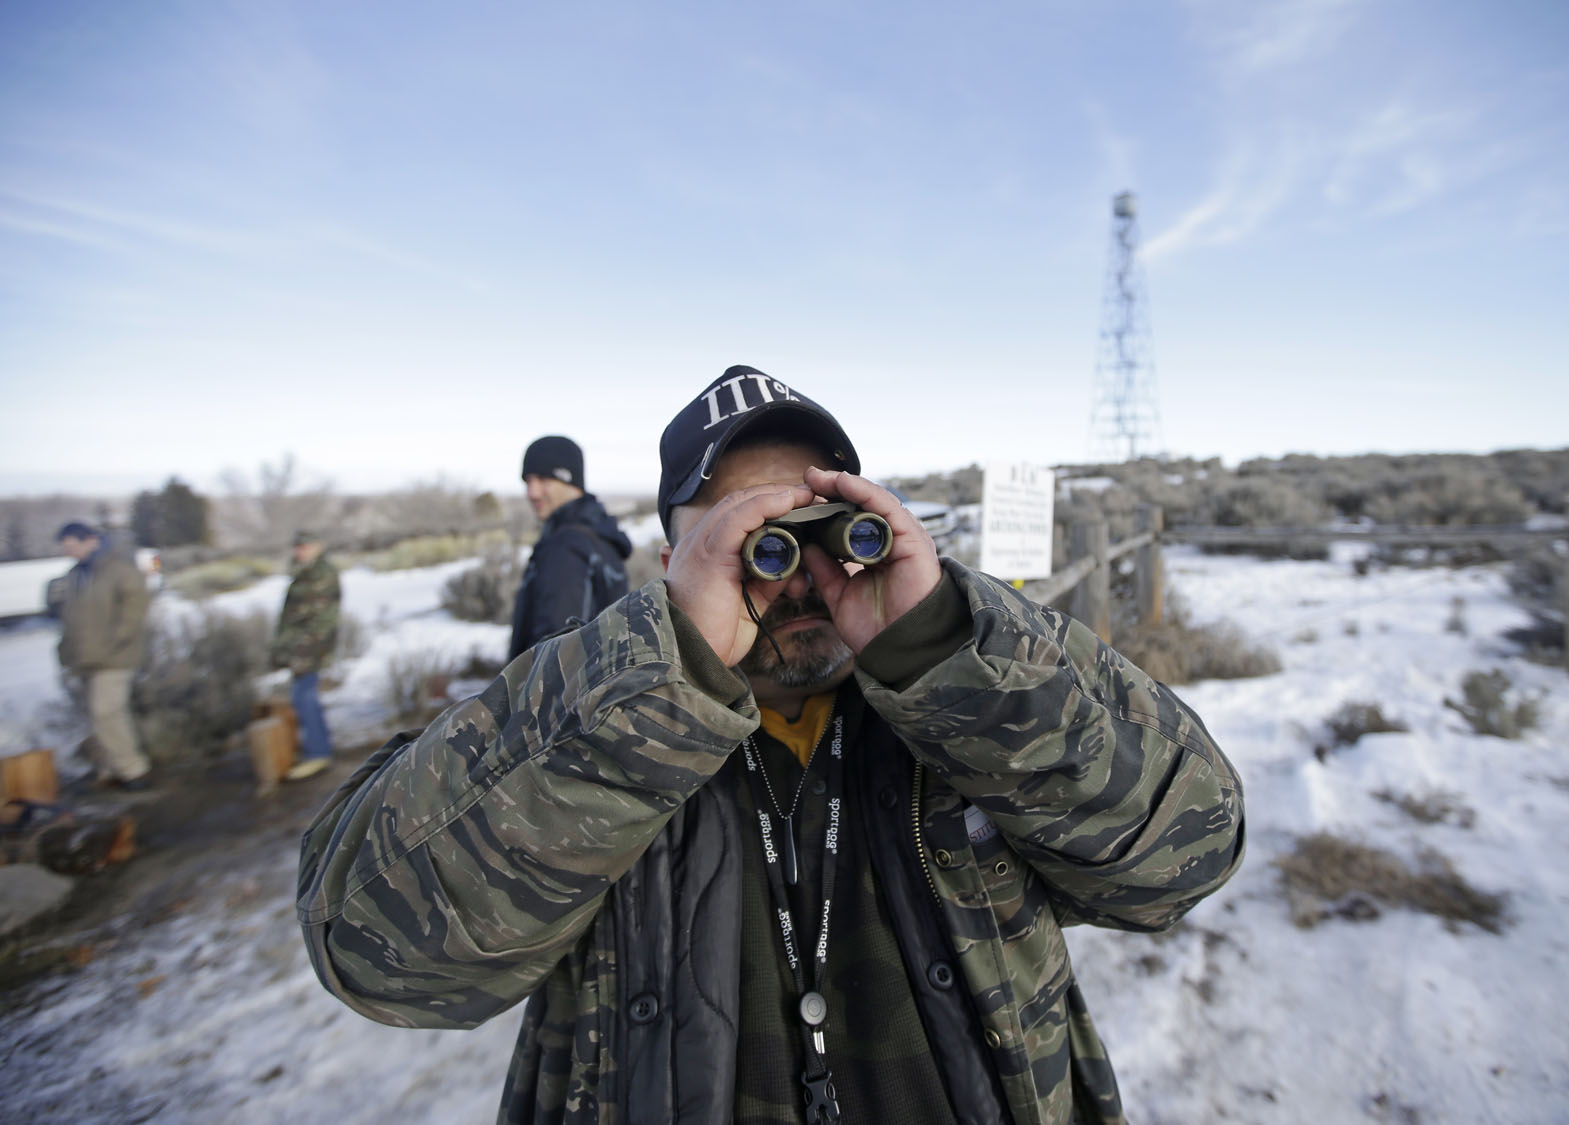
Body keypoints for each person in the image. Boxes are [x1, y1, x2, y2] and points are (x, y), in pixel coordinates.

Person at [298, 366, 1244, 1125]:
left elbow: (1182, 853)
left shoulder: (960, 697)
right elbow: (378, 955)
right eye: (745, 539)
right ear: (670, 565)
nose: (792, 576)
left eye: (812, 527)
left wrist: (948, 646)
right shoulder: (577, 711)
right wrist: (656, 675)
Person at [508, 435, 633, 661]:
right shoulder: (600, 533)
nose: (532, 492)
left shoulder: (566, 546)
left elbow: (555, 655)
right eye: (528, 481)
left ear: (570, 481)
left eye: (544, 479)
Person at [56, 522, 152, 791]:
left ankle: (133, 770)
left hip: (114, 656)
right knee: (96, 716)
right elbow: (71, 617)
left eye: (72, 546)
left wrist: (117, 640)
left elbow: (135, 608)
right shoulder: (76, 575)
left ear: (91, 541)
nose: (69, 552)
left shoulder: (118, 569)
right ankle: (110, 768)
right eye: (65, 548)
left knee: (107, 712)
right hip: (85, 657)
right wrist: (65, 649)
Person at [271, 529, 341, 782]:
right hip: (299, 647)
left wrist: (305, 650)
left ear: (317, 546)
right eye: (297, 546)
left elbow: (320, 618)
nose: (300, 551)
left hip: (309, 648)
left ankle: (318, 752)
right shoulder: (304, 572)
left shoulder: (320, 573)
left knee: (305, 697)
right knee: (301, 696)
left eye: (305, 546)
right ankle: (316, 748)